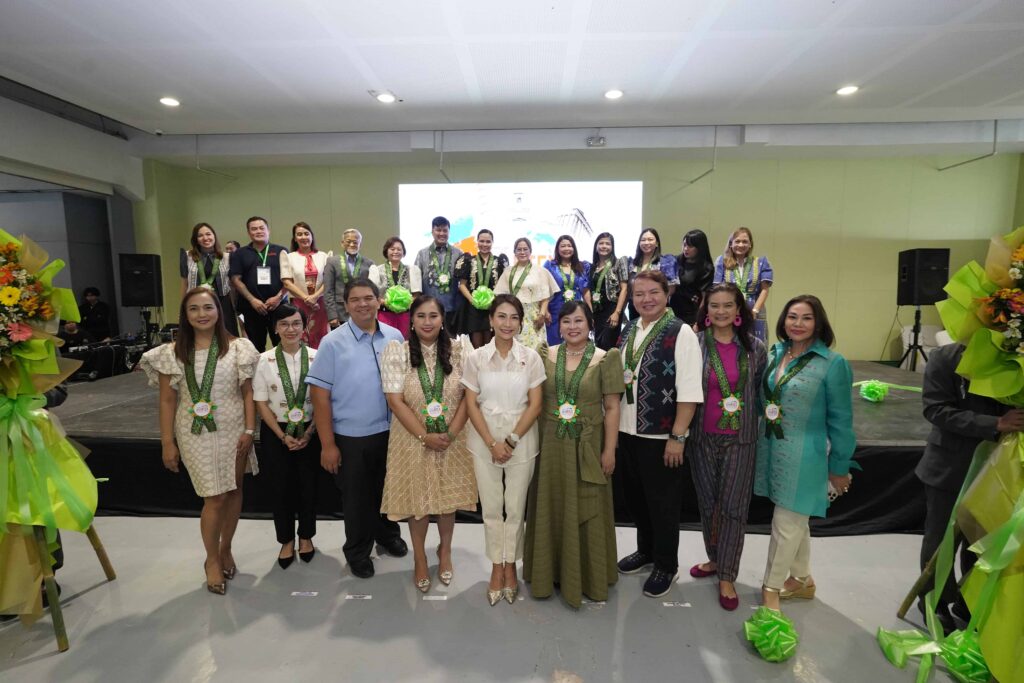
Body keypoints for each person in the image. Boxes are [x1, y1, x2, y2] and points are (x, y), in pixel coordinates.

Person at [140, 287, 259, 594]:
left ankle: (226, 548)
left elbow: (248, 392)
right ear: (185, 314)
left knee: (233, 490)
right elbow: (167, 400)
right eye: (194, 308)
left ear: (219, 311)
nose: (202, 314)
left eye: (208, 307)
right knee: (213, 497)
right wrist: (167, 442)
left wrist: (249, 430)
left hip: (234, 429)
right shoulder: (170, 353)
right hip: (194, 432)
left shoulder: (239, 348)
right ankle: (211, 559)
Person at [752, 295, 855, 615]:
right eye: (792, 316)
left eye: (806, 318)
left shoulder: (833, 363)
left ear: (819, 323)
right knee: (796, 520)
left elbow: (842, 421)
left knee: (785, 523)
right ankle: (801, 580)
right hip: (772, 450)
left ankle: (771, 589)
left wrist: (839, 467)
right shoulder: (775, 352)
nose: (797, 323)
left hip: (806, 456)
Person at [523, 301, 625, 608]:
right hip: (551, 445)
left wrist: (609, 450)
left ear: (590, 324)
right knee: (551, 504)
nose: (572, 327)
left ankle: (589, 577)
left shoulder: (606, 358)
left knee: (588, 505)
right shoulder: (545, 355)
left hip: (588, 445)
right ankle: (548, 572)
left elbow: (612, 407)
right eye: (566, 321)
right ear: (559, 325)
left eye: (579, 321)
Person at [917, 342, 1022, 633]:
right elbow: (936, 409)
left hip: (1001, 467)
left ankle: (969, 599)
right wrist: (996, 423)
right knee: (940, 539)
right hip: (950, 466)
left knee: (983, 540)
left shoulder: (1014, 358)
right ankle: (934, 601)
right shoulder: (945, 357)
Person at [306, 278, 408, 578]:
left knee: (387, 490)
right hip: (351, 437)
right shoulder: (332, 342)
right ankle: (358, 551)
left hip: (391, 433)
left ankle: (387, 536)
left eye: (368, 298)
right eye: (355, 300)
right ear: (346, 305)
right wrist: (328, 445)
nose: (363, 304)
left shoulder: (395, 337)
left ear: (379, 300)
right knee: (357, 499)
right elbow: (320, 396)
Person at [616, 270, 702, 598]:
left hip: (661, 435)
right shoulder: (629, 329)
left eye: (653, 292)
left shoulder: (680, 332)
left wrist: (677, 437)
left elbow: (690, 389)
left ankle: (667, 564)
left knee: (663, 504)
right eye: (639, 294)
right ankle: (646, 551)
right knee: (637, 499)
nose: (646, 299)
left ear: (667, 294)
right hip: (627, 430)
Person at [380, 296, 475, 592]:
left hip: (452, 439)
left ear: (442, 319)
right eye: (420, 315)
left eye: (433, 315)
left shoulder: (460, 350)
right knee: (417, 502)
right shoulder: (398, 352)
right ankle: (419, 557)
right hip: (412, 439)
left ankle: (445, 551)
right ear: (411, 320)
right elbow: (395, 401)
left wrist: (451, 434)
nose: (427, 321)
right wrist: (425, 435)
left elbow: (469, 396)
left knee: (447, 502)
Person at [687, 283, 768, 611]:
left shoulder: (755, 348)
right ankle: (715, 558)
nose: (720, 311)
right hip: (701, 437)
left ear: (739, 310)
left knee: (734, 507)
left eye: (727, 305)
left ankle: (727, 574)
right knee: (708, 504)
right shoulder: (694, 344)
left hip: (741, 439)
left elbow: (761, 391)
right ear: (706, 310)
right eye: (714, 305)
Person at [462, 294, 545, 605]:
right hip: (484, 441)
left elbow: (535, 404)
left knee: (516, 508)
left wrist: (510, 441)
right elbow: (471, 404)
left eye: (514, 317)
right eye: (501, 316)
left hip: (521, 441)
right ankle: (496, 566)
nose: (507, 323)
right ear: (491, 320)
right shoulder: (476, 359)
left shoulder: (531, 358)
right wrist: (491, 443)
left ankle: (512, 565)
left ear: (521, 323)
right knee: (492, 509)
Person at [253, 304, 323, 569]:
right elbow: (261, 403)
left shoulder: (318, 357)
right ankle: (286, 540)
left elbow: (323, 400)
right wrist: (282, 436)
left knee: (308, 486)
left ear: (304, 327)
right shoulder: (264, 360)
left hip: (310, 431)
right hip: (276, 432)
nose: (290, 329)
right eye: (284, 324)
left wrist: (310, 432)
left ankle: (306, 537)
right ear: (275, 328)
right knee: (280, 488)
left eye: (296, 323)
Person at [229, 216, 289, 350]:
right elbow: (235, 279)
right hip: (251, 308)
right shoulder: (239, 254)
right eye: (254, 229)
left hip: (278, 307)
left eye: (262, 228)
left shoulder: (281, 251)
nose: (258, 231)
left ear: (268, 230)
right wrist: (252, 300)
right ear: (249, 232)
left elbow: (290, 280)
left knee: (283, 346)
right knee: (255, 349)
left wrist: (278, 298)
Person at [494, 237, 558, 352]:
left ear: (530, 251)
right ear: (514, 252)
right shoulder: (508, 271)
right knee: (515, 349)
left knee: (536, 350)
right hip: (514, 315)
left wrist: (542, 314)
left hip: (534, 316)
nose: (522, 252)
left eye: (525, 249)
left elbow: (545, 296)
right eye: (519, 249)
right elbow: (500, 295)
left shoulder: (540, 271)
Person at [714, 227, 773, 342]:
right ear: (731, 244)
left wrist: (755, 311)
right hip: (730, 310)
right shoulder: (722, 262)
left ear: (750, 244)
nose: (741, 245)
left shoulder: (761, 262)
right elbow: (717, 290)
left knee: (755, 345)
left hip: (754, 309)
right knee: (731, 343)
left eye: (745, 241)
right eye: (737, 241)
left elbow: (765, 290)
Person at [180, 222, 238, 335]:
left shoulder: (227, 257)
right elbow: (184, 283)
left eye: (208, 234)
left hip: (223, 303)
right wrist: (182, 308)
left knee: (226, 337)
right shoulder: (187, 256)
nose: (205, 238)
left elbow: (232, 285)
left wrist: (235, 308)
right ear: (196, 239)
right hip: (197, 303)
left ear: (214, 236)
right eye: (200, 235)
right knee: (199, 336)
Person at [280, 222, 331, 348]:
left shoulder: (324, 256)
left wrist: (315, 297)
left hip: (320, 304)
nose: (303, 237)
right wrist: (307, 298)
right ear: (295, 238)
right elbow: (287, 282)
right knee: (300, 335)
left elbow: (328, 280)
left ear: (312, 236)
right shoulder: (289, 257)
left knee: (321, 336)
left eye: (306, 234)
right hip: (299, 304)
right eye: (299, 234)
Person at [455, 229, 508, 348]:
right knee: (476, 346)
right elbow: (462, 284)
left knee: (491, 344)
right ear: (477, 242)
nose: (485, 244)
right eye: (482, 241)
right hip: (473, 308)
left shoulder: (499, 262)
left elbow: (503, 286)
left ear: (492, 242)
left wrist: (493, 300)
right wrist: (472, 300)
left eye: (488, 242)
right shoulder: (469, 260)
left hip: (493, 308)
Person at [414, 216, 464, 331]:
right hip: (427, 310)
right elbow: (416, 282)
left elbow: (462, 281)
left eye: (445, 230)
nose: (442, 233)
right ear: (432, 231)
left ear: (449, 232)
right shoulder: (422, 254)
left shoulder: (458, 253)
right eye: (438, 230)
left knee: (450, 340)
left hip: (451, 309)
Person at [369, 236, 423, 339]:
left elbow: (416, 295)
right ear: (386, 251)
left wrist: (406, 304)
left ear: (403, 252)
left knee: (404, 341)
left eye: (399, 249)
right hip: (385, 315)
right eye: (392, 249)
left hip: (405, 316)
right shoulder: (377, 270)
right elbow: (372, 294)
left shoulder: (412, 270)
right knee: (385, 342)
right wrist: (386, 302)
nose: (396, 252)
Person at [542, 235, 591, 346]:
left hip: (577, 311)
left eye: (569, 246)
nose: (566, 249)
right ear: (557, 249)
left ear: (574, 248)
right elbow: (544, 290)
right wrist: (546, 311)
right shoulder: (550, 266)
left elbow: (585, 291)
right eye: (563, 246)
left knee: (576, 342)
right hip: (555, 312)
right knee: (555, 345)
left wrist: (590, 312)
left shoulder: (582, 266)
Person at [323, 229, 374, 330]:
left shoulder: (369, 263)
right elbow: (328, 290)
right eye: (348, 241)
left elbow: (372, 291)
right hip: (340, 313)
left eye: (355, 242)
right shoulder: (332, 262)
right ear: (342, 243)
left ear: (360, 244)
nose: (352, 244)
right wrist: (332, 315)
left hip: (362, 312)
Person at [588, 232, 629, 350]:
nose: (604, 246)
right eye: (601, 243)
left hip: (612, 310)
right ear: (596, 246)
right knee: (598, 345)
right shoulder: (592, 267)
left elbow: (624, 289)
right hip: (597, 311)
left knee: (609, 344)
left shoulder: (618, 263)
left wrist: (617, 312)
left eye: (607, 244)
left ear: (612, 247)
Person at [626, 228, 678, 320]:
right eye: (643, 240)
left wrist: (654, 301)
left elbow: (671, 289)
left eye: (650, 239)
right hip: (635, 308)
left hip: (655, 307)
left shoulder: (666, 262)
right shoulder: (632, 263)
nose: (646, 243)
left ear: (657, 243)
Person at [670, 229, 714, 326]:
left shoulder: (706, 268)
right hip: (672, 309)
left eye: (690, 246)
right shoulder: (676, 260)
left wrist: (698, 320)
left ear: (699, 247)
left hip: (691, 312)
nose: (686, 249)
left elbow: (705, 297)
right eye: (684, 245)